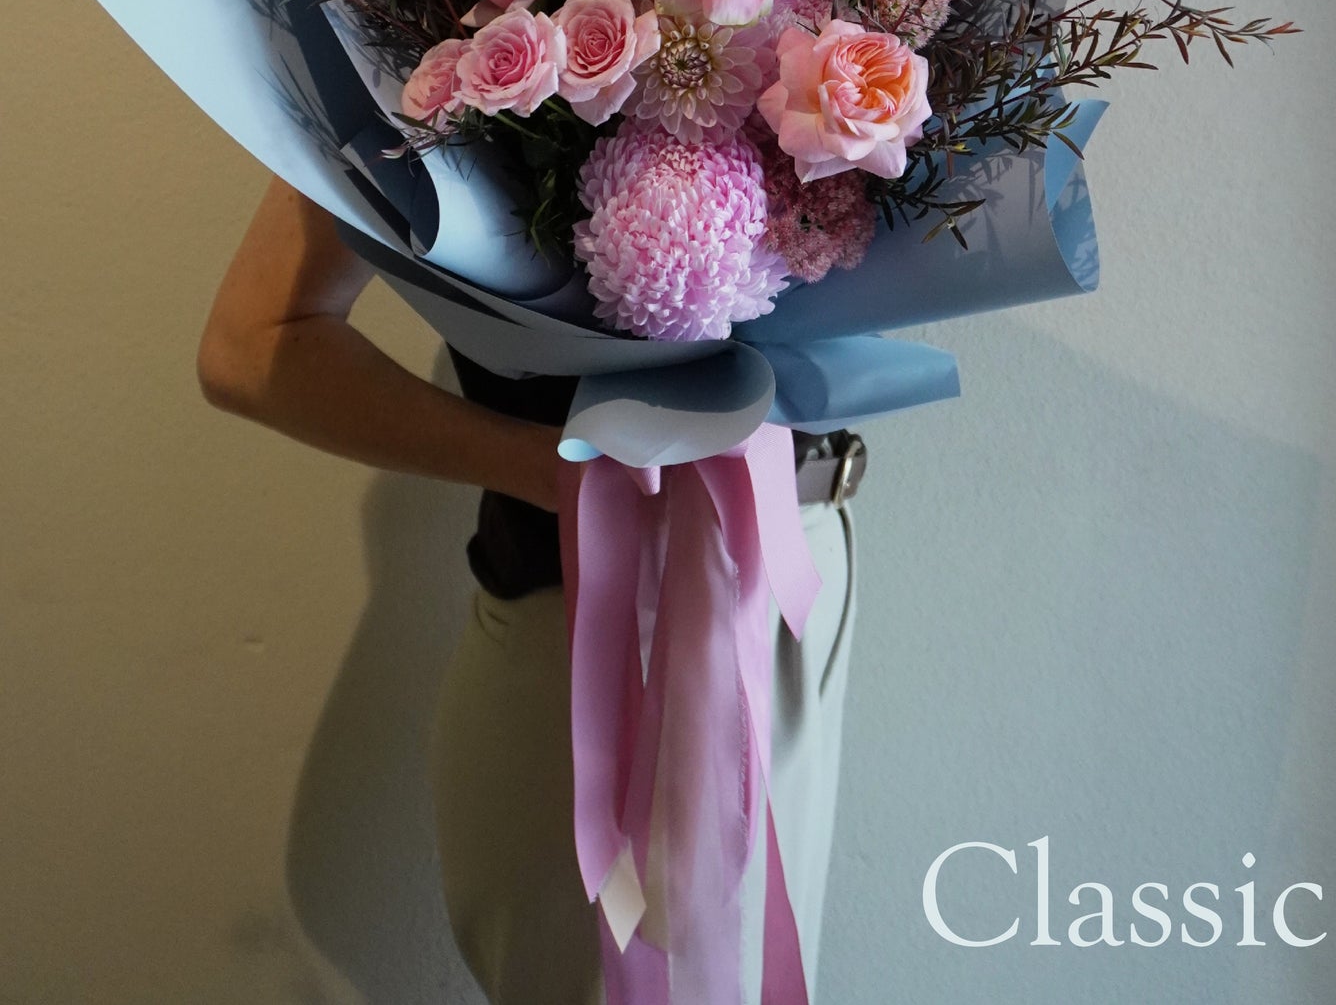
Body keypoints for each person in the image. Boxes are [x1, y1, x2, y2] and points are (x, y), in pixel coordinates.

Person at [199, 174, 862, 1004]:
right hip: (593, 615)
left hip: (799, 572)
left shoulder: (855, 47)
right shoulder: (417, 56)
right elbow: (253, 343)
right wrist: (542, 467)